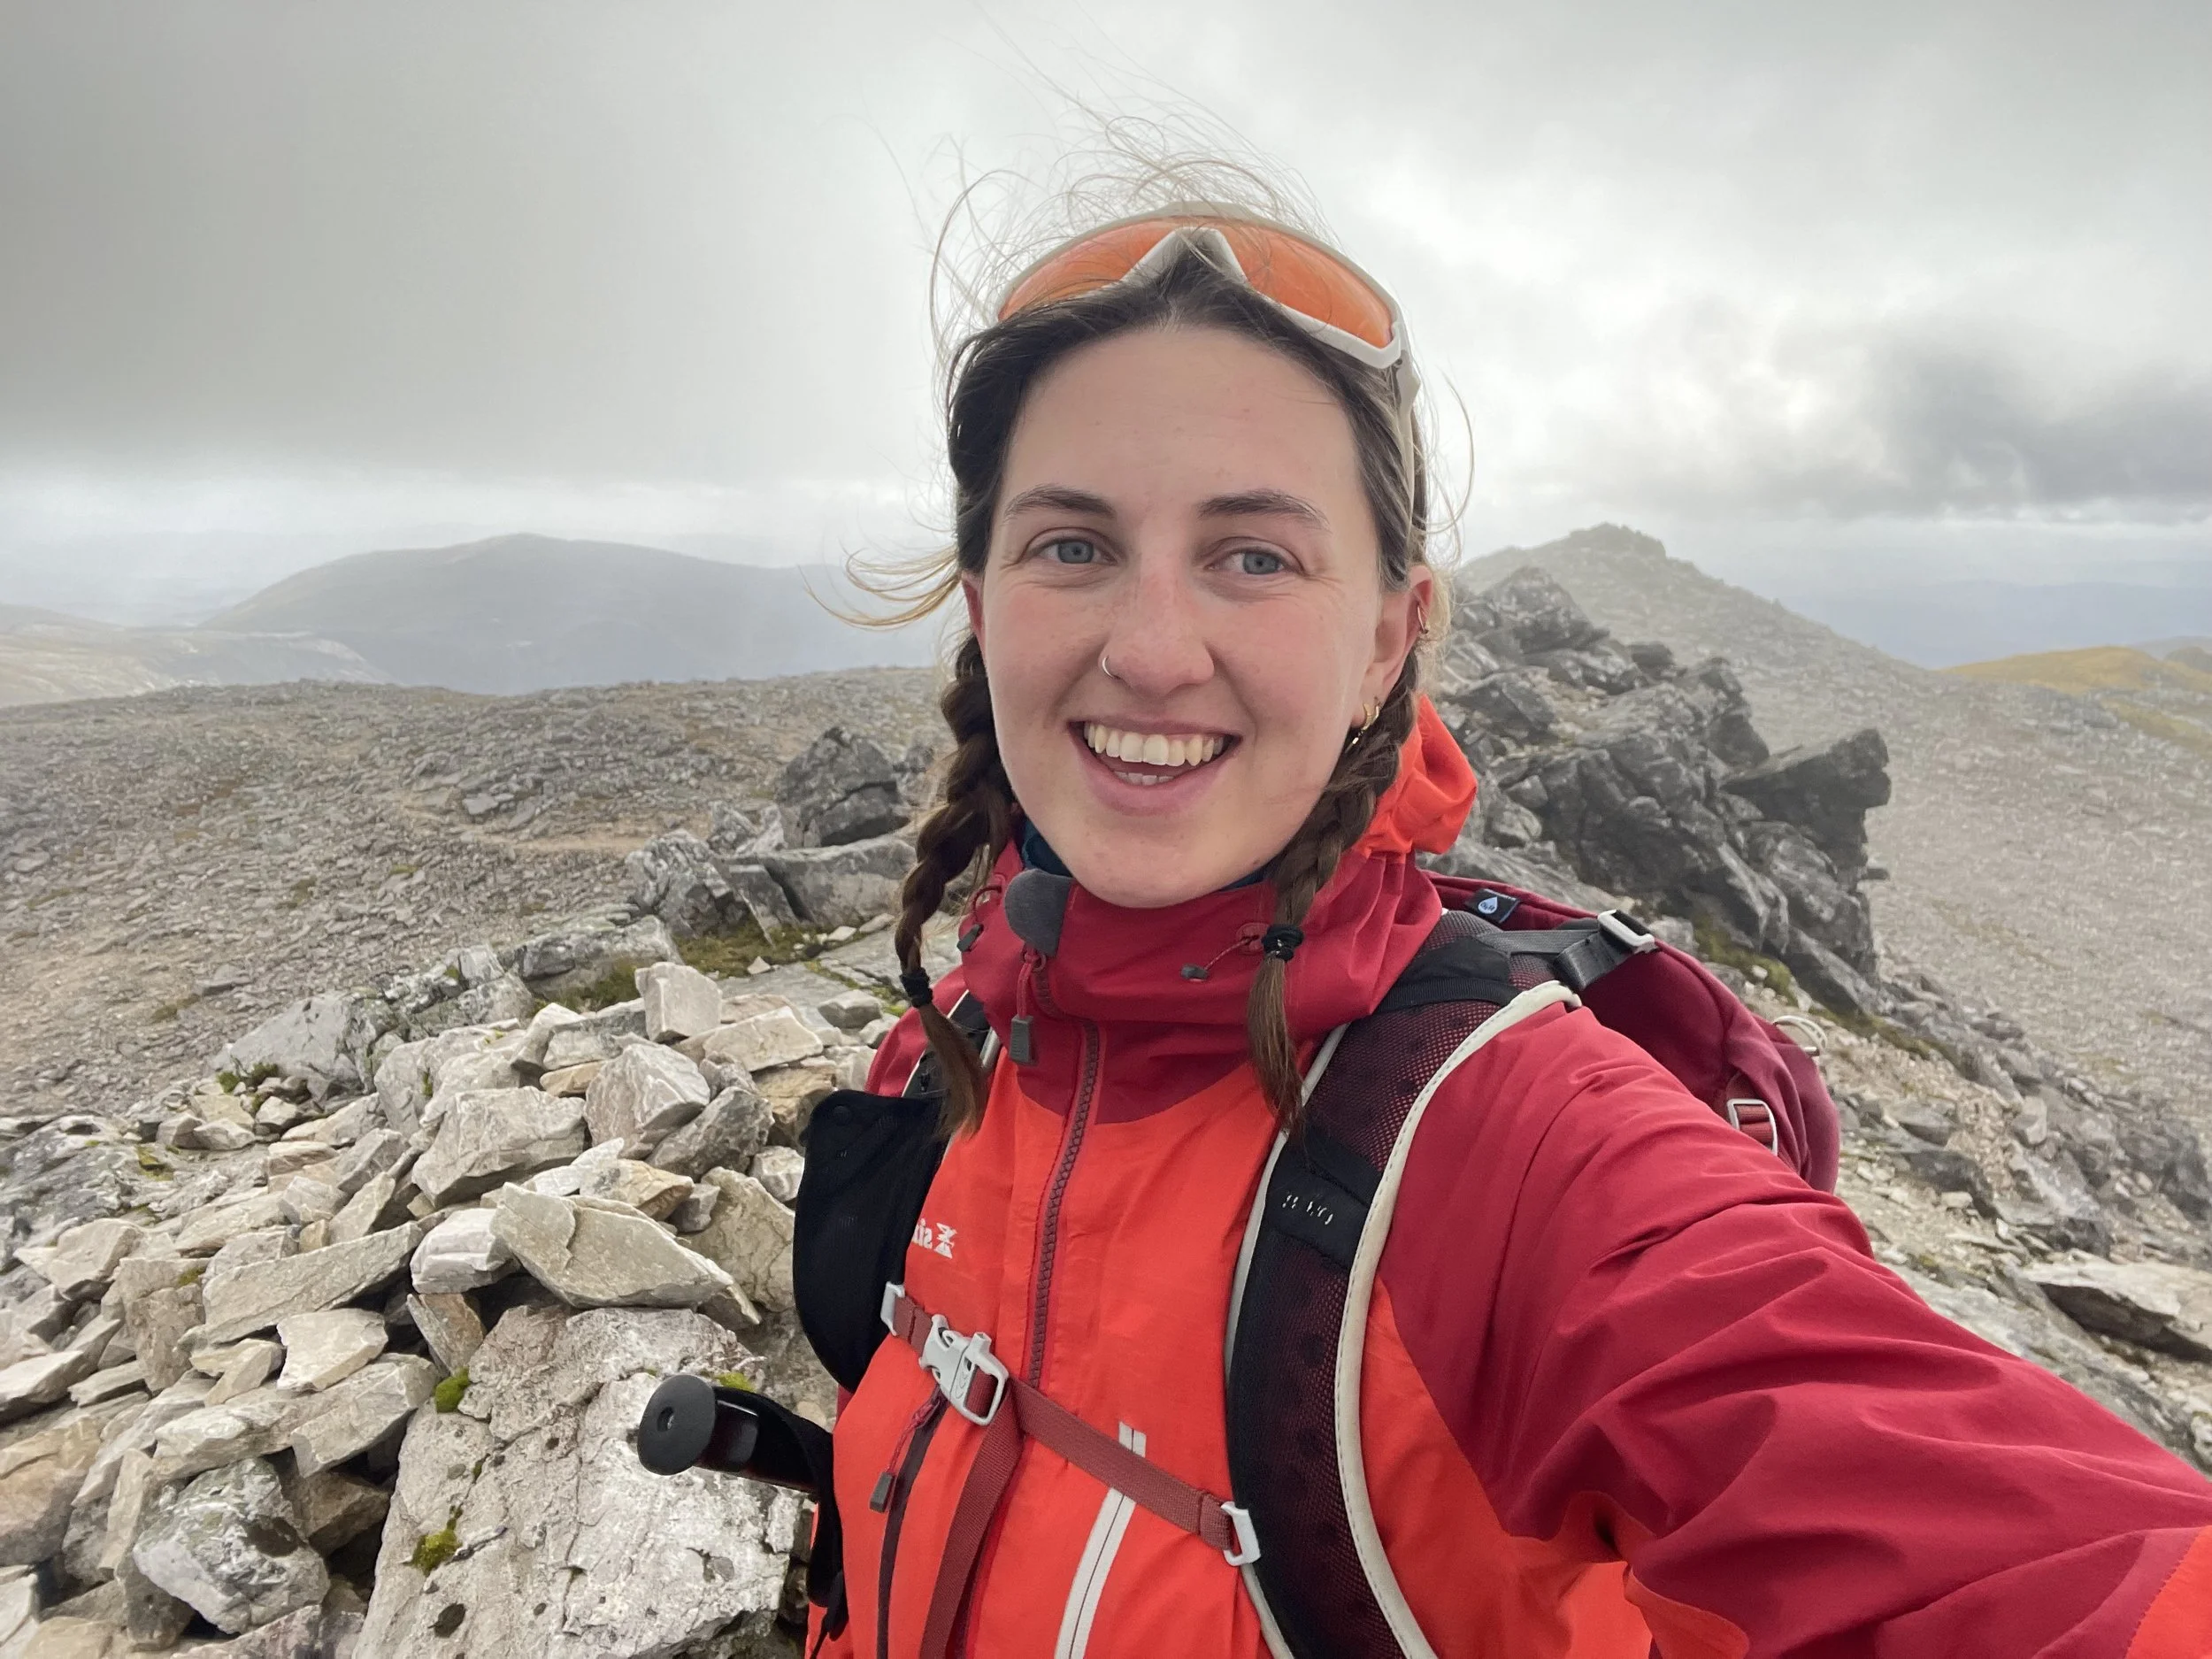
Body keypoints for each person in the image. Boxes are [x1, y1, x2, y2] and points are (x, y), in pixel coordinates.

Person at [808, 196, 2212, 1657]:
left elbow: (2041, 1569)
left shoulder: (1519, 1151)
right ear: (984, 604)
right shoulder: (960, 1040)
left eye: (1256, 557)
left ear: (1385, 640)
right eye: (1073, 547)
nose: (1152, 648)